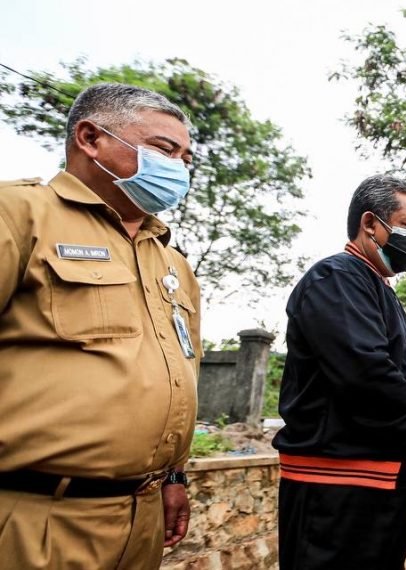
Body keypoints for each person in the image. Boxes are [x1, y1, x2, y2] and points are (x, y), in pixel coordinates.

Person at [0, 83, 199, 568]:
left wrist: (173, 477)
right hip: (39, 515)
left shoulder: (172, 262)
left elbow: (182, 373)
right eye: (164, 150)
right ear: (90, 138)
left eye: (185, 158)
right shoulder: (20, 215)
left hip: (142, 516)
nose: (179, 168)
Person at [273, 175, 406, 569]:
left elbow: (392, 366)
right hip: (340, 483)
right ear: (370, 224)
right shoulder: (337, 277)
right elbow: (365, 374)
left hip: (376, 479)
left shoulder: (374, 284)